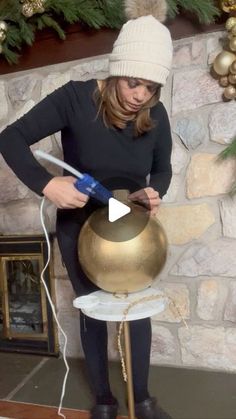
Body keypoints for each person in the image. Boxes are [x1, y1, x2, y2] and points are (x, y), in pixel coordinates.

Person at [0, 7, 173, 419]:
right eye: (134, 83)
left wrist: (155, 192)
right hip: (81, 230)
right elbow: (10, 138)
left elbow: (163, 169)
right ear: (117, 72)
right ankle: (104, 400)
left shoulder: (156, 116)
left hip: (131, 231)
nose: (140, 96)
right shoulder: (75, 98)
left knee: (136, 308)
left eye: (151, 88)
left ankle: (143, 398)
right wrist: (47, 184)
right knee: (93, 311)